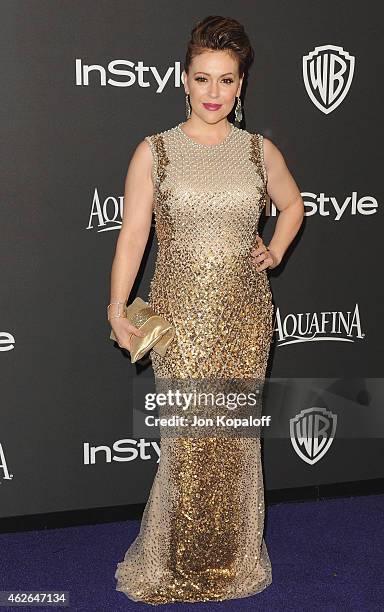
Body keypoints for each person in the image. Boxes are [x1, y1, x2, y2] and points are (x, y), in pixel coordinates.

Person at [109, 15, 304, 605]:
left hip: (245, 318)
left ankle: (233, 563)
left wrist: (273, 250)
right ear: (184, 80)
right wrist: (117, 308)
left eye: (226, 80)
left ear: (241, 84)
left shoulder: (257, 151)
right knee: (188, 442)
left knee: (235, 443)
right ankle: (173, 564)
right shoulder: (156, 152)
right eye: (203, 78)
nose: (214, 92)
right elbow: (133, 234)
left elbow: (293, 205)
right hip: (180, 320)